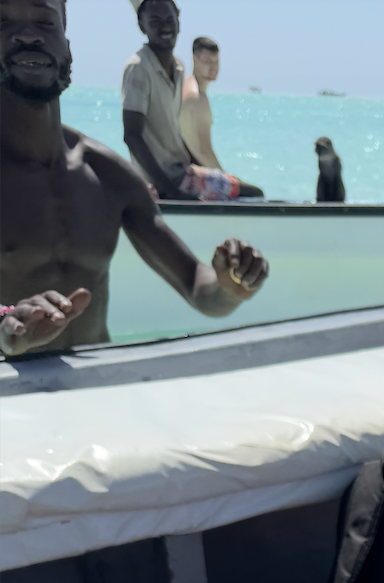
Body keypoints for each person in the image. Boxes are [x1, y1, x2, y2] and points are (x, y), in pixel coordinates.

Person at [0, 0, 269, 358]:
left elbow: (198, 287)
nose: (27, 35)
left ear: (66, 47)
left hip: (99, 383)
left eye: (45, 21)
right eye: (3, 22)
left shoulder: (106, 175)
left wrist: (231, 286)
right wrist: (6, 328)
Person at [123, 0, 262, 201]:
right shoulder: (138, 68)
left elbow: (173, 131)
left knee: (242, 188)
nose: (165, 27)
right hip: (163, 180)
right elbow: (132, 136)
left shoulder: (178, 68)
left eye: (169, 20)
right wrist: (170, 191)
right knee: (254, 195)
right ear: (141, 25)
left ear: (178, 22)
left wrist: (201, 167)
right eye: (155, 21)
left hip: (183, 172)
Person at [180, 35, 222, 170]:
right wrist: (227, 177)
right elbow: (204, 152)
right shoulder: (196, 97)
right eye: (207, 61)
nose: (213, 67)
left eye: (216, 61)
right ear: (195, 59)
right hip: (189, 171)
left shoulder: (185, 85)